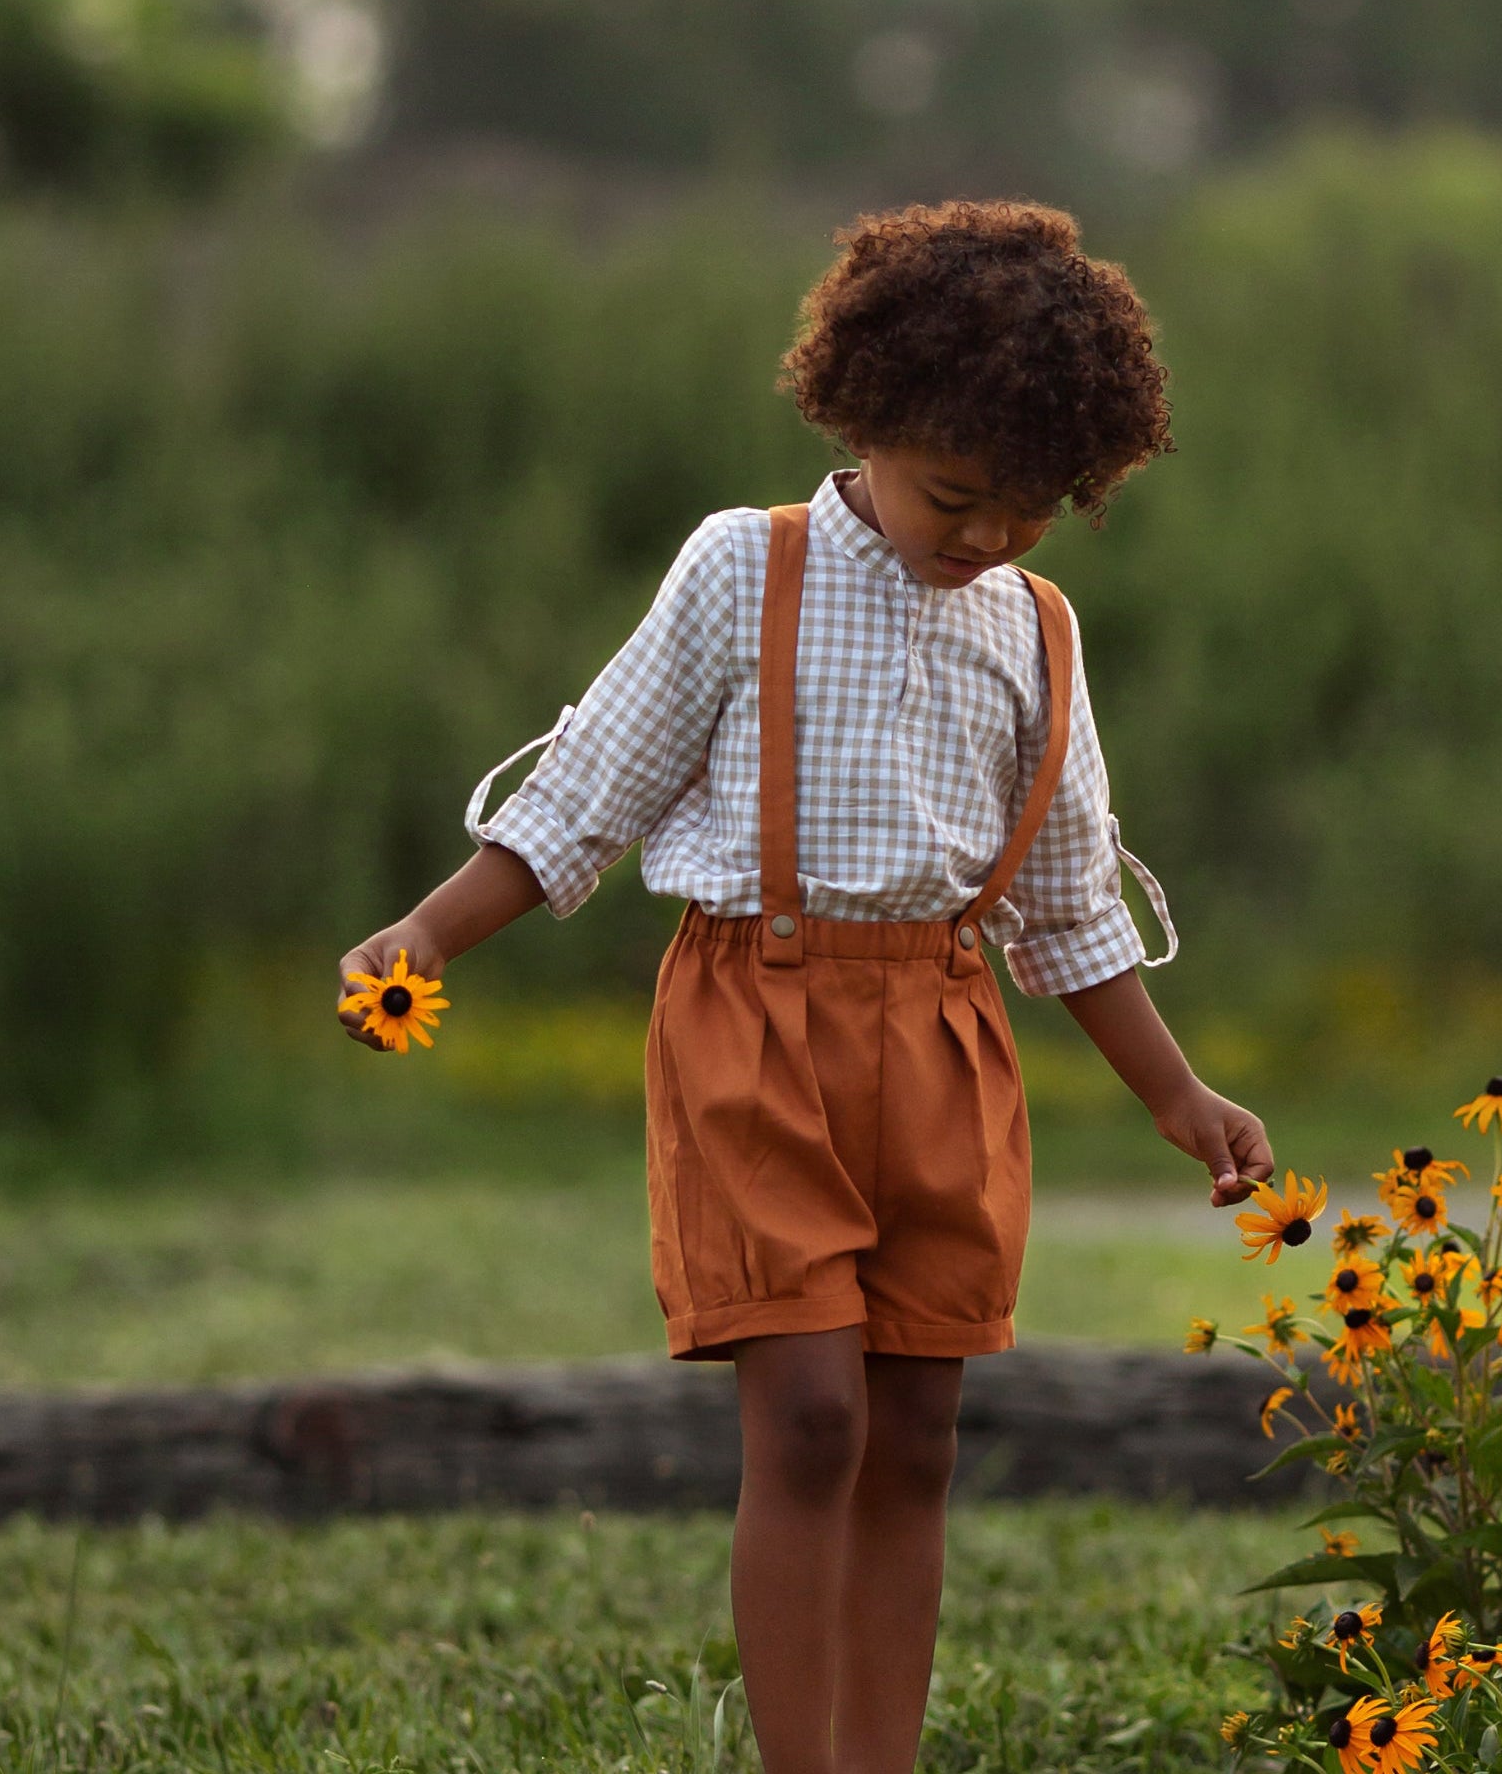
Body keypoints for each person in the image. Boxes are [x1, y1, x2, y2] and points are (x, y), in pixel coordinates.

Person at [338, 198, 1272, 1774]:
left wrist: (1177, 1092)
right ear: (868, 417)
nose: (984, 538)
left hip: (945, 1038)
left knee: (916, 1431)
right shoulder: (740, 569)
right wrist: (426, 936)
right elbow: (589, 794)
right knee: (815, 1417)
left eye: (1030, 509)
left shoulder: (1039, 632)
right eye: (955, 496)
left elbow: (1066, 898)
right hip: (755, 1024)